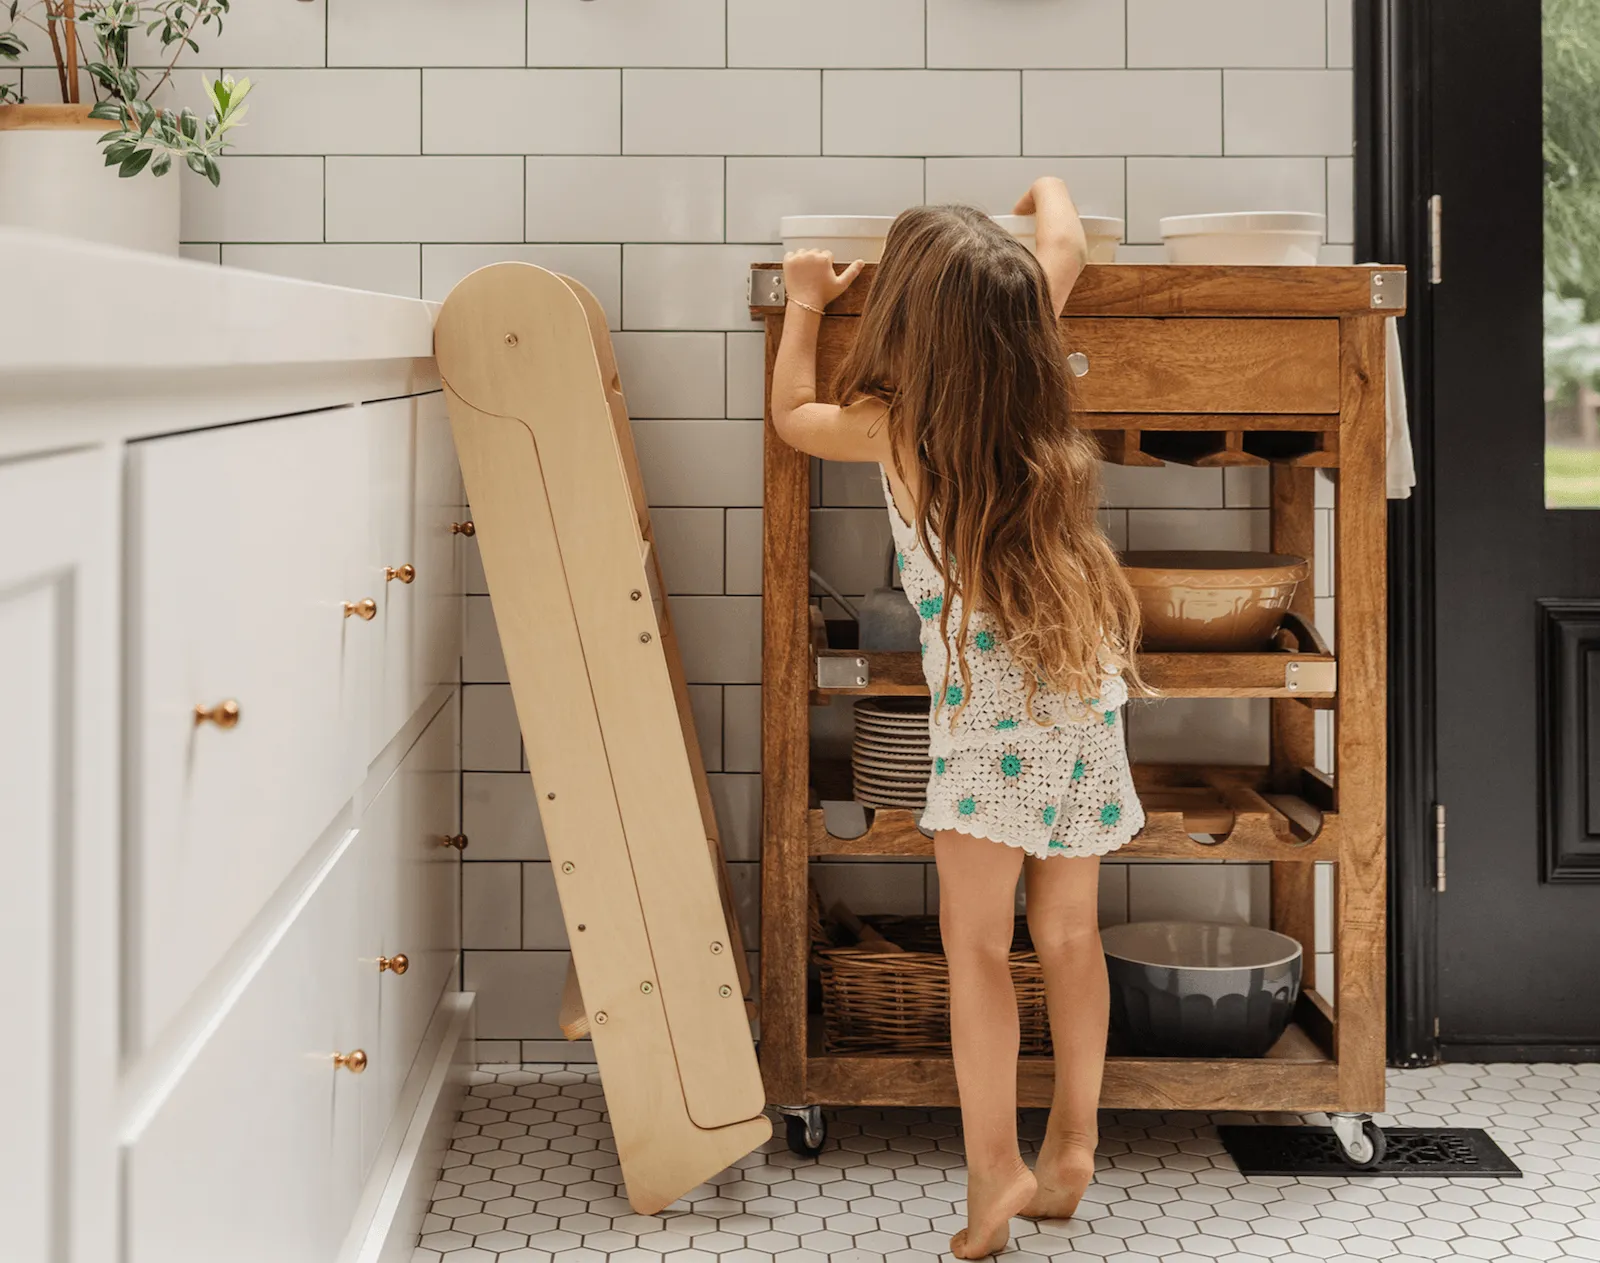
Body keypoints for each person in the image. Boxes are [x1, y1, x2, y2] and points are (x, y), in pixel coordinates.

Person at [770, 178, 1146, 1259]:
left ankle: (995, 1173)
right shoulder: (1033, 380)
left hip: (984, 725)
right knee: (1070, 937)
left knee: (975, 947)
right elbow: (1062, 240)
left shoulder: (896, 426)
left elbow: (792, 418)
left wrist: (804, 300)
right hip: (1085, 695)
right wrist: (1041, 189)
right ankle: (1072, 1145)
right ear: (1018, 315)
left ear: (910, 328)